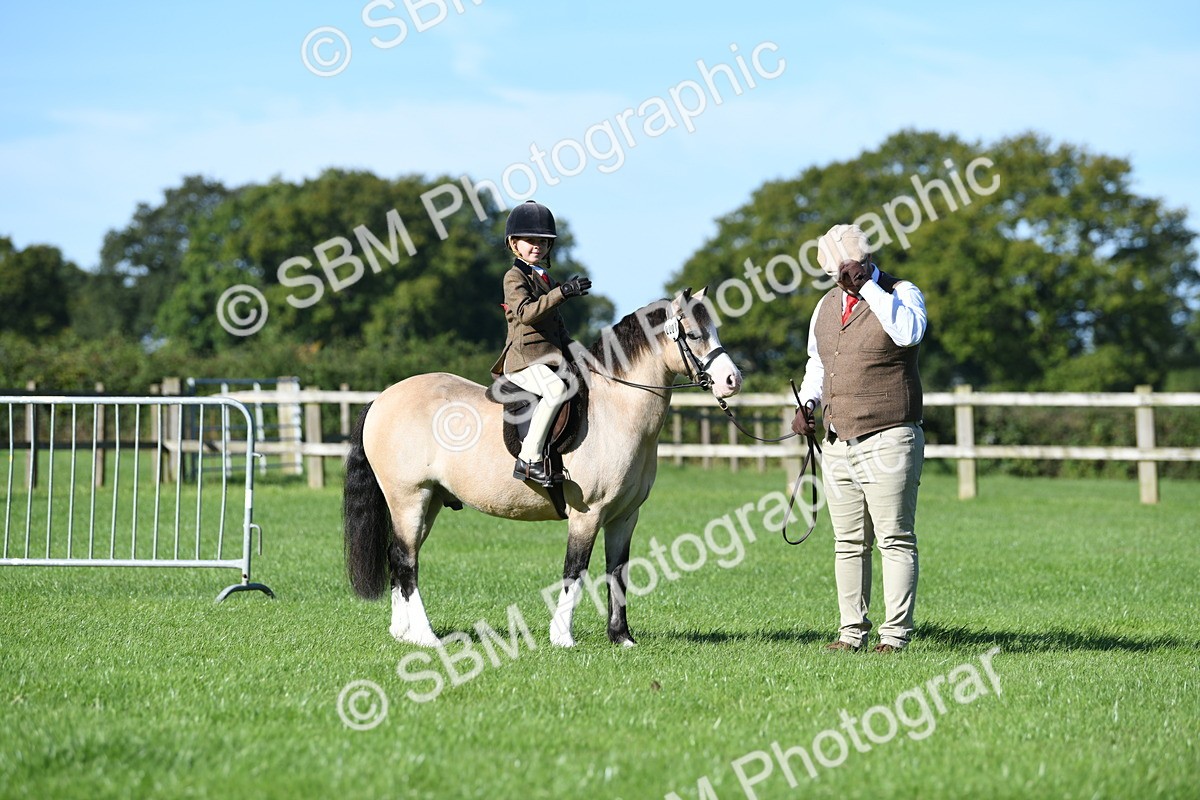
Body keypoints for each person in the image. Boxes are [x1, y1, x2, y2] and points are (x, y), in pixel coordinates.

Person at [792, 223, 927, 653]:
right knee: (848, 542)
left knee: (894, 538)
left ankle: (895, 636)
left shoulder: (902, 293)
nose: (843, 277)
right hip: (837, 439)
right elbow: (819, 362)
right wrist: (808, 404)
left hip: (891, 435)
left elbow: (907, 334)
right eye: (837, 272)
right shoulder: (825, 306)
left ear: (867, 261)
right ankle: (850, 633)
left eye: (852, 267)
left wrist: (868, 287)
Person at [490, 200, 592, 487]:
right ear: (514, 244)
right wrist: (562, 292)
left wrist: (582, 354)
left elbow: (557, 329)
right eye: (530, 241)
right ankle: (529, 458)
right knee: (556, 389)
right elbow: (525, 313)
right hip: (523, 360)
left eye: (544, 242)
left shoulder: (545, 279)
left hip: (548, 358)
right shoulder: (513, 277)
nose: (538, 246)